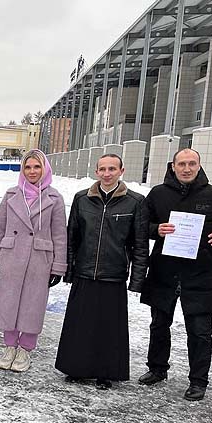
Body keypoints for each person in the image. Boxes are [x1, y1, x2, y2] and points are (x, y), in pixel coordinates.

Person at [55, 154, 148, 390]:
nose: (107, 173)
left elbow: (140, 244)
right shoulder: (82, 199)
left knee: (108, 328)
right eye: (103, 169)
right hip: (84, 272)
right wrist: (69, 270)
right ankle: (76, 368)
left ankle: (105, 372)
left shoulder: (134, 202)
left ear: (121, 170)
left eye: (112, 169)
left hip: (113, 274)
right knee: (80, 325)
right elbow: (71, 237)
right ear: (96, 171)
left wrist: (137, 279)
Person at [138, 148, 212, 401]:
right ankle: (157, 368)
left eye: (192, 164)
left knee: (199, 329)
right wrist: (157, 230)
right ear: (172, 166)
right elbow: (142, 226)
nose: (187, 168)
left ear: (199, 166)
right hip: (164, 271)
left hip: (199, 273)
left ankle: (198, 380)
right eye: (182, 164)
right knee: (159, 323)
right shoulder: (157, 194)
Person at [0, 150, 67, 372]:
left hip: (39, 258)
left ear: (45, 169)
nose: (32, 171)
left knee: (33, 304)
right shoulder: (12, 195)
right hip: (12, 255)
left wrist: (58, 267)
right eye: (28, 167)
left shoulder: (54, 198)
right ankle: (10, 346)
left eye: (37, 167)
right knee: (8, 301)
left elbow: (60, 235)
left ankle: (25, 349)